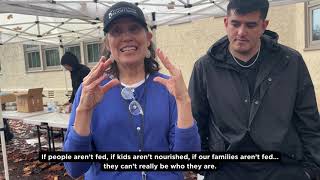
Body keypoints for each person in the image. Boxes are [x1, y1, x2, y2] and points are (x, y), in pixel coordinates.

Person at [63, 1, 200, 179]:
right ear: (107, 42)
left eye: (134, 28)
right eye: (116, 31)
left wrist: (183, 101)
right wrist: (84, 111)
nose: (126, 37)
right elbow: (75, 168)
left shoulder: (169, 88)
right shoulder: (91, 89)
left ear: (148, 37)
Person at [189, 0, 320, 179]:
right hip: (226, 170)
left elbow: (309, 121)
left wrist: (311, 172)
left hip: (283, 168)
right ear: (226, 23)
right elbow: (196, 122)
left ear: (264, 26)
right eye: (235, 24)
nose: (241, 32)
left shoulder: (290, 62)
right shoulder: (204, 67)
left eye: (250, 25)